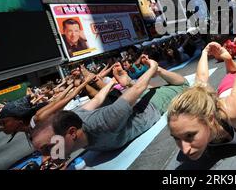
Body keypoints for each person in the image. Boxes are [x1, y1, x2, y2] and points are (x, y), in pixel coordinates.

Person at [30, 57, 188, 157]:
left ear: (72, 133)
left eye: (47, 149)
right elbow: (98, 99)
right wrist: (112, 82)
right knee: (144, 90)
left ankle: (158, 70)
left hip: (150, 107)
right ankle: (129, 81)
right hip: (133, 103)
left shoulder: (105, 121)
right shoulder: (72, 117)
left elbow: (138, 89)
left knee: (183, 85)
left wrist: (153, 68)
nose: (45, 156)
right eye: (41, 151)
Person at [167, 36, 236, 161]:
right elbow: (200, 80)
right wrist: (204, 52)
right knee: (233, 71)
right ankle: (228, 60)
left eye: (190, 135)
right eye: (176, 138)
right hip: (228, 85)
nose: (184, 150)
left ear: (211, 119)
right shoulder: (200, 107)